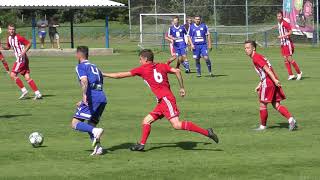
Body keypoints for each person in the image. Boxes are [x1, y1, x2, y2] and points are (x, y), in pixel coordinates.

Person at [103, 49, 219, 151]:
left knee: (177, 125)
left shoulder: (142, 69)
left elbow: (119, 75)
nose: (139, 62)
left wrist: (104, 74)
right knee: (146, 121)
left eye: (140, 59)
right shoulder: (161, 66)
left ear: (145, 59)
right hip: (162, 101)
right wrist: (182, 88)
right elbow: (177, 71)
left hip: (166, 100)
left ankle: (207, 133)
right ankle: (141, 144)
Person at [244, 40, 298, 131]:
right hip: (270, 82)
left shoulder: (256, 57)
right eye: (245, 48)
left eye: (248, 48)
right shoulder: (258, 56)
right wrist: (260, 84)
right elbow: (264, 72)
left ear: (253, 48)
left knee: (262, 104)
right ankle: (291, 119)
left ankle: (263, 126)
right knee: (276, 104)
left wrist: (274, 80)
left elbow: (267, 70)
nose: (246, 50)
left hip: (268, 83)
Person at [71, 46, 107, 156]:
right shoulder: (95, 67)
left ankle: (96, 131)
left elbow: (84, 81)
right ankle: (98, 148)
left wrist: (84, 95)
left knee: (75, 123)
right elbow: (100, 81)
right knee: (91, 124)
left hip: (93, 98)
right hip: (102, 98)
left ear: (78, 55)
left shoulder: (80, 66)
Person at [0, 24, 42, 100]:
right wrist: (2, 47)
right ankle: (38, 93)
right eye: (10, 29)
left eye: (13, 29)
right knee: (27, 77)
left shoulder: (19, 37)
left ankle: (24, 91)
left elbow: (29, 44)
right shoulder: (9, 38)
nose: (11, 31)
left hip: (21, 59)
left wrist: (23, 52)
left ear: (15, 30)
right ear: (8, 30)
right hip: (23, 59)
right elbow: (8, 47)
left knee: (12, 74)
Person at [277, 11, 302, 80]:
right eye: (278, 16)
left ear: (282, 16)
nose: (279, 17)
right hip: (283, 44)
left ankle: (299, 73)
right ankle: (291, 74)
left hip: (287, 43)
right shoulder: (279, 23)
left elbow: (291, 32)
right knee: (285, 59)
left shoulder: (285, 23)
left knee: (289, 59)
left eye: (280, 16)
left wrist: (282, 36)